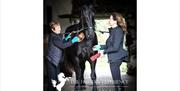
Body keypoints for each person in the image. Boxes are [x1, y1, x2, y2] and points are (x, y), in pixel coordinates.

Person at [93, 12, 128, 91]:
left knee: (117, 82)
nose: (109, 20)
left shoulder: (118, 31)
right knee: (117, 81)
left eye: (111, 18)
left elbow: (115, 48)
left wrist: (103, 52)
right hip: (114, 58)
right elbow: (110, 45)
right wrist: (99, 47)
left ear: (115, 21)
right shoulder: (114, 31)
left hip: (116, 58)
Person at [46, 20, 84, 91]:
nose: (60, 29)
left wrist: (67, 38)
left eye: (59, 27)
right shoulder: (53, 37)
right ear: (52, 30)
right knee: (52, 82)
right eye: (57, 28)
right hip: (51, 61)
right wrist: (73, 40)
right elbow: (63, 45)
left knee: (56, 81)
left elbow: (62, 42)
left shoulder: (58, 35)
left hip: (56, 61)